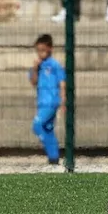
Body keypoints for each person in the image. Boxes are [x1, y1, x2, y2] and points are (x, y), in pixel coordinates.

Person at [30, 34, 65, 167]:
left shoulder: (55, 65)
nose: (40, 53)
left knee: (37, 126)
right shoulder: (38, 66)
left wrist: (63, 101)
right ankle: (54, 159)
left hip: (51, 102)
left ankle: (51, 151)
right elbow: (33, 82)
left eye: (43, 50)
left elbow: (62, 84)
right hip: (41, 102)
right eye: (38, 50)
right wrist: (35, 69)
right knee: (48, 129)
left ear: (50, 49)